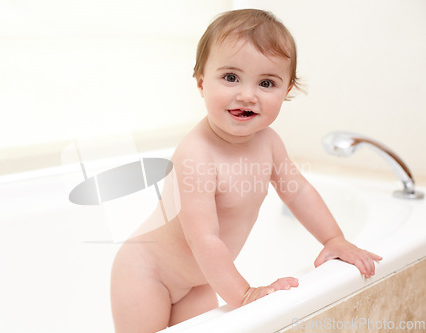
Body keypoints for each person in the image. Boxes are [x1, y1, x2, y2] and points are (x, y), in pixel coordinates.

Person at [110, 9, 382, 333]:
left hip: (199, 281)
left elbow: (299, 192)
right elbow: (204, 238)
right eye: (230, 77)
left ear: (287, 90)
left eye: (266, 82)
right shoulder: (196, 154)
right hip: (146, 272)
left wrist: (334, 238)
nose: (247, 94)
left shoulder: (268, 143)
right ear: (200, 82)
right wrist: (244, 295)